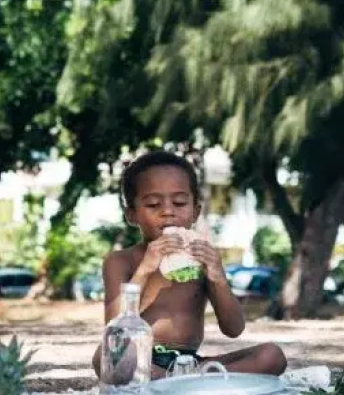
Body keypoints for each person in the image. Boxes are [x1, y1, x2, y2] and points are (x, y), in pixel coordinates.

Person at [92, 150, 286, 379]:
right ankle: (191, 384)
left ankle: (186, 381)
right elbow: (115, 326)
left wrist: (217, 277)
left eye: (180, 202)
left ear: (196, 211)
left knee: (272, 355)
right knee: (106, 357)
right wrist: (146, 269)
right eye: (153, 204)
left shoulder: (201, 259)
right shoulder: (121, 261)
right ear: (131, 214)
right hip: (143, 359)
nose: (168, 212)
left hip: (190, 363)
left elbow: (233, 329)